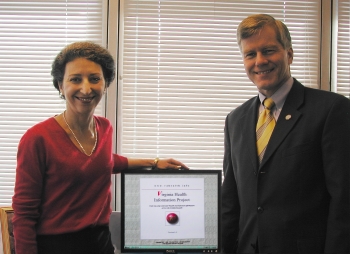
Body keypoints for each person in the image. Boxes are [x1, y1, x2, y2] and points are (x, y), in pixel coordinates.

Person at [12, 41, 189, 254]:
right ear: (60, 85)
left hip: (100, 242)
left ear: (105, 84)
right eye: (75, 79)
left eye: (95, 79)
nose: (86, 88)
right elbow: (24, 213)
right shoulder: (37, 138)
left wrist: (153, 163)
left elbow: (103, 161)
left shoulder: (104, 127)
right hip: (56, 245)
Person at [221, 14, 350, 254]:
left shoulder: (331, 109)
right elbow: (231, 203)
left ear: (289, 54)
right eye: (250, 54)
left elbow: (344, 202)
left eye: (268, 50)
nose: (260, 61)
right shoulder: (235, 120)